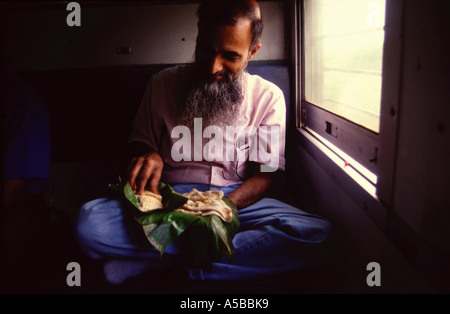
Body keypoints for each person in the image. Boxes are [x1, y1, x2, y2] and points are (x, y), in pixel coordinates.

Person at [76, 0, 331, 285]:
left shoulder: (268, 97)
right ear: (197, 37)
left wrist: (217, 212)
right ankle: (206, 258)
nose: (213, 67)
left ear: (252, 52)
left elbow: (265, 178)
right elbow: (140, 143)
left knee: (315, 233)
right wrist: (149, 154)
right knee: (89, 224)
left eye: (230, 56)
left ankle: (171, 264)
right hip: (169, 201)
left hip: (235, 202)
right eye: (206, 50)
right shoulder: (161, 84)